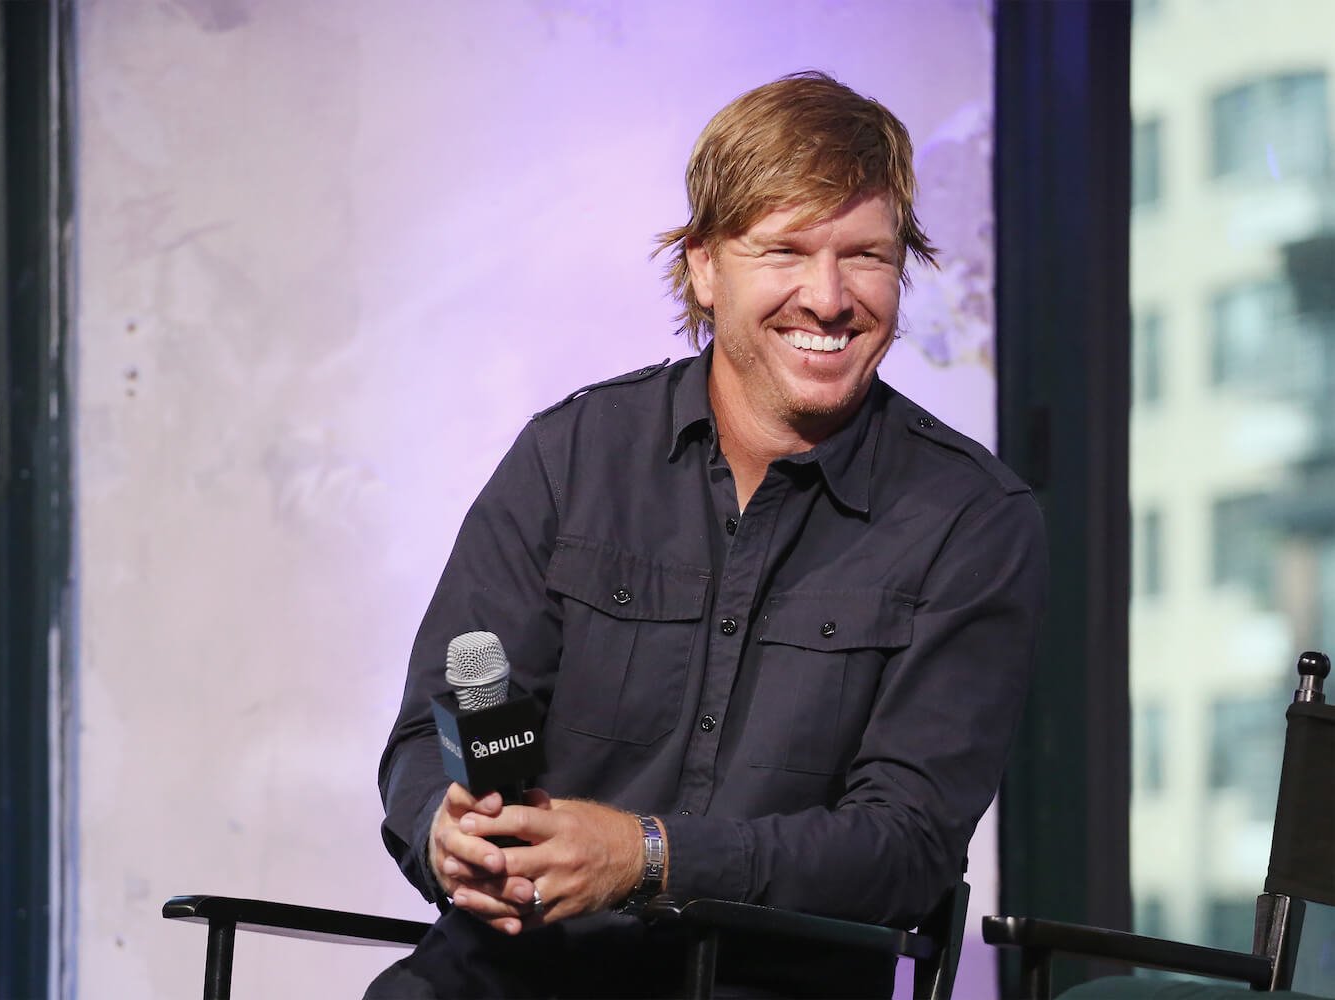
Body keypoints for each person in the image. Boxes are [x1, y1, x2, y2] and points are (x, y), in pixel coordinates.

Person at [368, 70, 1047, 999]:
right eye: (784, 251)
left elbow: (905, 846)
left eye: (867, 256)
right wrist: (445, 838)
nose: (829, 296)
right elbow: (431, 731)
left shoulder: (972, 521)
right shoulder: (570, 457)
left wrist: (648, 857)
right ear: (702, 265)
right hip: (509, 976)